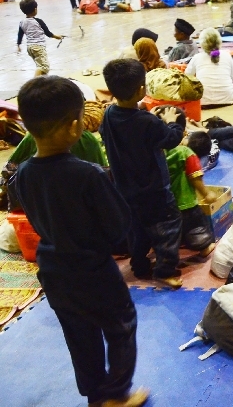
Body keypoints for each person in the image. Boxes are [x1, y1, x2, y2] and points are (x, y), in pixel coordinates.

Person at [10, 76, 149, 407]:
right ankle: (115, 394)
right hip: (93, 269)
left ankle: (95, 395)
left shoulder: (24, 173)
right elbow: (118, 228)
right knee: (120, 327)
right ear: (75, 127)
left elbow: (28, 211)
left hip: (53, 269)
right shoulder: (89, 174)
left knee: (79, 337)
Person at [100, 59, 186, 288]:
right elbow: (171, 139)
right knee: (168, 228)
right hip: (154, 190)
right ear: (141, 89)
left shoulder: (109, 115)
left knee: (136, 232)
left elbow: (124, 130)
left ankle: (139, 266)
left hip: (124, 190)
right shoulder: (147, 121)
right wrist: (172, 123)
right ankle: (165, 270)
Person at [163, 127, 217, 256]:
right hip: (186, 202)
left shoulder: (159, 152)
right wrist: (207, 193)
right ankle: (204, 248)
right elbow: (195, 178)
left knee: (170, 228)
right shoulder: (186, 153)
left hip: (166, 202)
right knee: (197, 226)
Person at [185, 28, 233, 106]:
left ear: (202, 44)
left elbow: (187, 77)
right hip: (228, 99)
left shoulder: (197, 57)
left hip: (203, 102)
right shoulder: (227, 55)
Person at [17, 0, 63, 77]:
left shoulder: (22, 22)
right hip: (38, 47)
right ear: (35, 9)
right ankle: (34, 84)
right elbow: (48, 33)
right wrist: (57, 37)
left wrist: (18, 45)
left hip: (30, 48)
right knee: (44, 67)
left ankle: (42, 82)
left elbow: (20, 34)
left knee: (40, 66)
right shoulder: (38, 21)